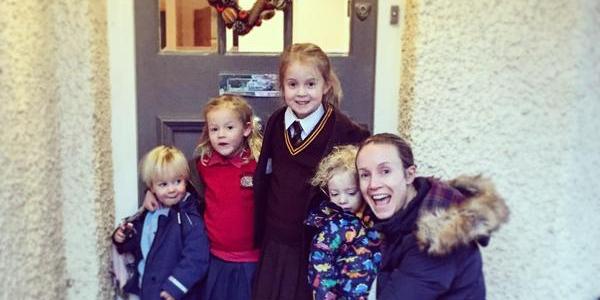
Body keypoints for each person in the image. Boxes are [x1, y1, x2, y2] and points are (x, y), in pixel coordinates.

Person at [253, 43, 370, 300]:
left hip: (316, 244)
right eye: (292, 84)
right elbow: (265, 174)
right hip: (275, 239)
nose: (301, 93)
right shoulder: (276, 121)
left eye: (310, 84)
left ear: (326, 85)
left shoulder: (341, 128)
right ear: (282, 87)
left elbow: (368, 164)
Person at [355, 133, 510, 300]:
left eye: (385, 171)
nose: (373, 185)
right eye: (365, 175)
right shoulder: (390, 219)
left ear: (409, 175)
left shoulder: (439, 237)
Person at [144, 95, 263, 300]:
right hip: (214, 259)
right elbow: (173, 179)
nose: (221, 135)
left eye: (229, 128)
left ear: (246, 129)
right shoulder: (202, 166)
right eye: (214, 129)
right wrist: (150, 191)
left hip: (252, 261)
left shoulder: (259, 165)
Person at [112, 145, 209, 300]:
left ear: (186, 180)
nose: (172, 189)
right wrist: (122, 237)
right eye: (163, 184)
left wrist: (175, 287)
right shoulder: (150, 212)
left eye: (177, 181)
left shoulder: (189, 217)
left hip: (173, 292)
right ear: (152, 187)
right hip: (146, 288)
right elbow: (140, 244)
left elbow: (197, 257)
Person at [304, 145, 381, 300]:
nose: (342, 200)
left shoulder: (374, 219)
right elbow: (321, 271)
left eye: (351, 192)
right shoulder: (331, 228)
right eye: (335, 194)